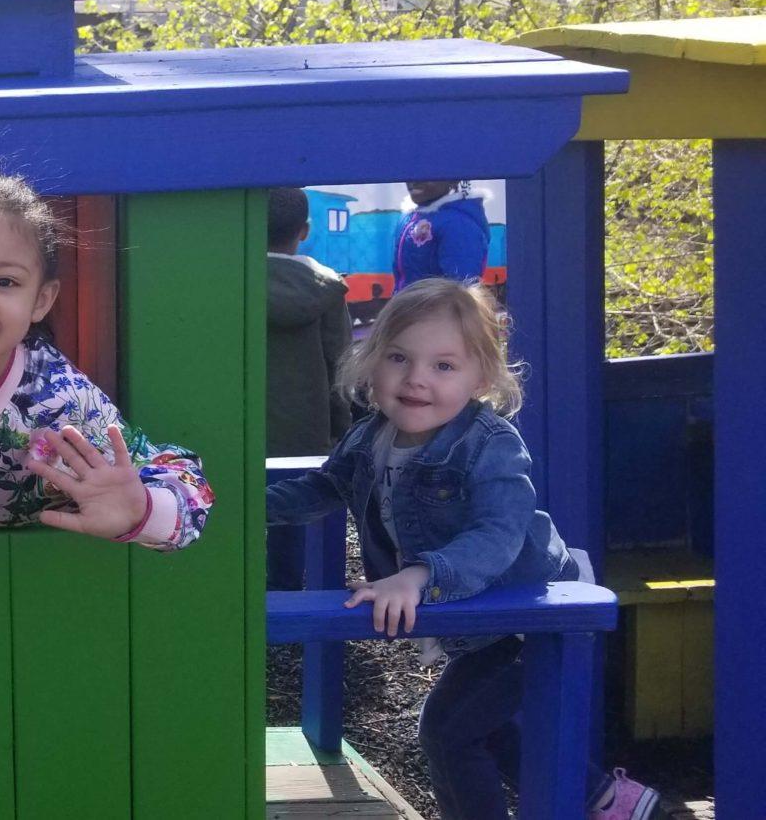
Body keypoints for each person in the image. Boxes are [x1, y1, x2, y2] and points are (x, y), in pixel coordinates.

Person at [265, 279, 657, 820]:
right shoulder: (369, 437)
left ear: (481, 379)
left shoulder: (489, 444)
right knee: (479, 728)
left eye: (443, 366)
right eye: (399, 357)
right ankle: (615, 802)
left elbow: (498, 535)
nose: (417, 379)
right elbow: (320, 490)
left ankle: (603, 801)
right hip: (476, 621)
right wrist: (229, 504)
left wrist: (420, 575)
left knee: (448, 733)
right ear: (370, 362)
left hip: (524, 616)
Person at [0, 167, 213, 546]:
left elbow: (189, 485)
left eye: (4, 282)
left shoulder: (61, 400)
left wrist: (140, 509)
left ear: (41, 300)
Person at [265, 187, 353, 590]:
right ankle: (286, 594)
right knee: (294, 515)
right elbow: (341, 366)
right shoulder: (325, 289)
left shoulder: (226, 284)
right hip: (305, 431)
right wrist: (341, 430)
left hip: (236, 429)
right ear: (304, 230)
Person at [394, 180, 490, 291]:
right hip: (412, 305)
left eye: (426, 172)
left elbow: (461, 288)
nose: (414, 180)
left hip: (434, 307)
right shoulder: (409, 217)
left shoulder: (458, 224)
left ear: (453, 180)